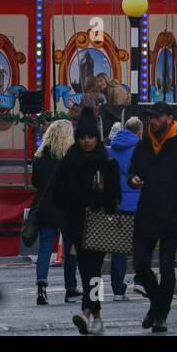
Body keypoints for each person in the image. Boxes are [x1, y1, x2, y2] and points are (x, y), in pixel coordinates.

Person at [128, 102, 177, 332]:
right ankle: (156, 304)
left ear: (169, 119)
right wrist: (133, 179)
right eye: (150, 117)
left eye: (157, 117)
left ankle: (161, 314)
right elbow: (133, 171)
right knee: (140, 264)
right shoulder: (143, 147)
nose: (153, 121)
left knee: (167, 268)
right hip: (147, 213)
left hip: (171, 215)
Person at [53, 109, 121, 335]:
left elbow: (115, 198)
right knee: (87, 272)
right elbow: (57, 193)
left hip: (100, 221)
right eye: (82, 137)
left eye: (90, 136)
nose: (87, 141)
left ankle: (86, 312)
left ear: (97, 137)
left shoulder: (106, 162)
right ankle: (96, 315)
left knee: (93, 269)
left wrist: (103, 193)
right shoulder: (69, 162)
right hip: (76, 223)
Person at [30, 119, 79, 305]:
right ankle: (70, 288)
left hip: (45, 208)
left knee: (45, 247)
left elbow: (35, 183)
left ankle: (41, 287)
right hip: (66, 208)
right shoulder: (71, 156)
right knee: (70, 250)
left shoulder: (40, 156)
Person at [106, 117, 142, 299]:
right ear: (139, 132)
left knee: (118, 249)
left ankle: (118, 290)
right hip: (137, 204)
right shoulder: (141, 150)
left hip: (117, 204)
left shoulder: (111, 150)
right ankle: (140, 281)